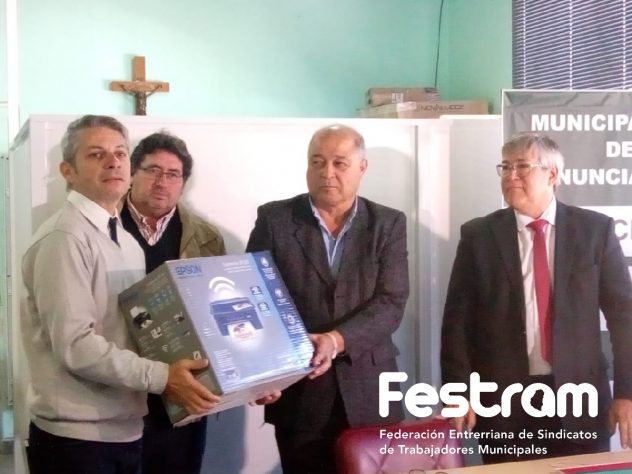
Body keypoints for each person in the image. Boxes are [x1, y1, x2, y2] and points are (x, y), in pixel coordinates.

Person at [21, 115, 220, 474]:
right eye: (96, 154)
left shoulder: (125, 241)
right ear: (67, 171)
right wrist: (164, 377)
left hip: (126, 428)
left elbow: (141, 330)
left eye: (119, 153)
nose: (113, 162)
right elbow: (76, 345)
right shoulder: (64, 239)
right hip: (76, 438)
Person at [441, 132, 632, 464]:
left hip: (580, 399)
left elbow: (624, 318)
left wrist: (627, 393)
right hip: (503, 401)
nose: (510, 175)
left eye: (521, 166)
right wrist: (457, 392)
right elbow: (457, 323)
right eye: (505, 167)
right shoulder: (478, 235)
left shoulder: (594, 231)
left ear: (552, 174)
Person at [246, 124, 410, 473]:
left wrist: (336, 340)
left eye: (339, 163)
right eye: (317, 162)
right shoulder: (275, 220)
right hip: (298, 388)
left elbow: (392, 301)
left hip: (369, 387)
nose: (327, 173)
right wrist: (264, 373)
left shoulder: (388, 223)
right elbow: (255, 299)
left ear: (362, 167)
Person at [120, 131, 225, 474]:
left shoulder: (206, 238)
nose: (161, 182)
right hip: (119, 387)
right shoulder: (103, 226)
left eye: (172, 174)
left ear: (184, 182)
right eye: (152, 170)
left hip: (182, 394)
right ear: (133, 172)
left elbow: (215, 316)